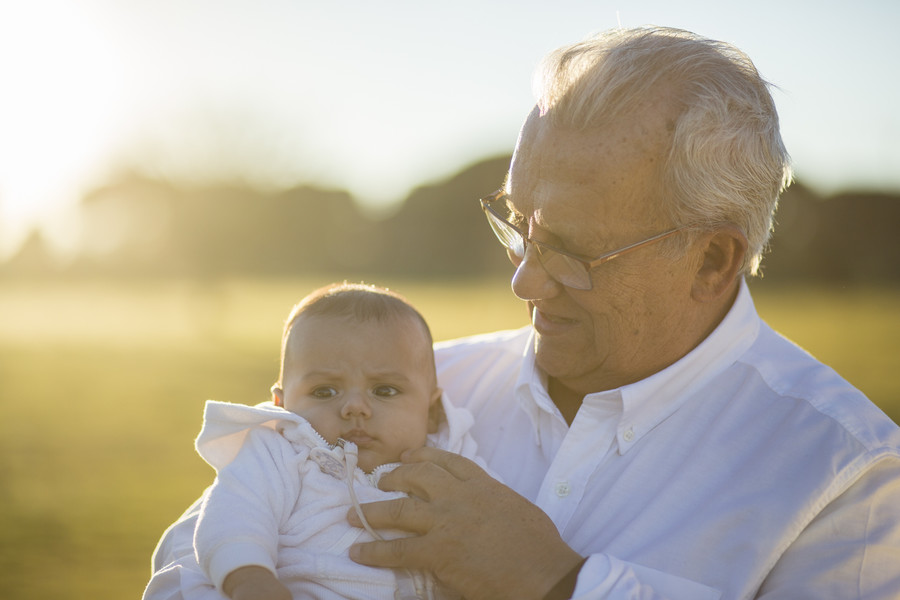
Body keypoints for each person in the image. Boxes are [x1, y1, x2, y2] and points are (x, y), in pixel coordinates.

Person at [147, 26, 900, 600]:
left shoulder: (848, 476)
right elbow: (182, 571)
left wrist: (559, 583)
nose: (525, 281)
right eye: (518, 226)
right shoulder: (408, 386)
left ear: (711, 260)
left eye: (571, 250)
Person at [144, 282, 481, 600]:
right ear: (283, 405)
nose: (355, 407)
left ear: (431, 411)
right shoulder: (277, 453)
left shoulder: (453, 458)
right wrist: (250, 580)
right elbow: (232, 515)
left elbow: (486, 530)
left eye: (384, 390)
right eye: (324, 391)